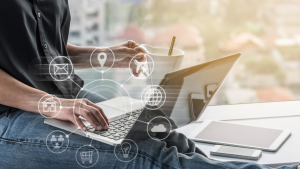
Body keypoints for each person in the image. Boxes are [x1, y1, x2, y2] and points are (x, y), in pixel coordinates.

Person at [0, 1, 298, 168]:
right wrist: (53, 104)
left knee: (165, 135)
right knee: (147, 158)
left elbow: (40, 48)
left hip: (64, 95)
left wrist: (104, 56)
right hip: (12, 116)